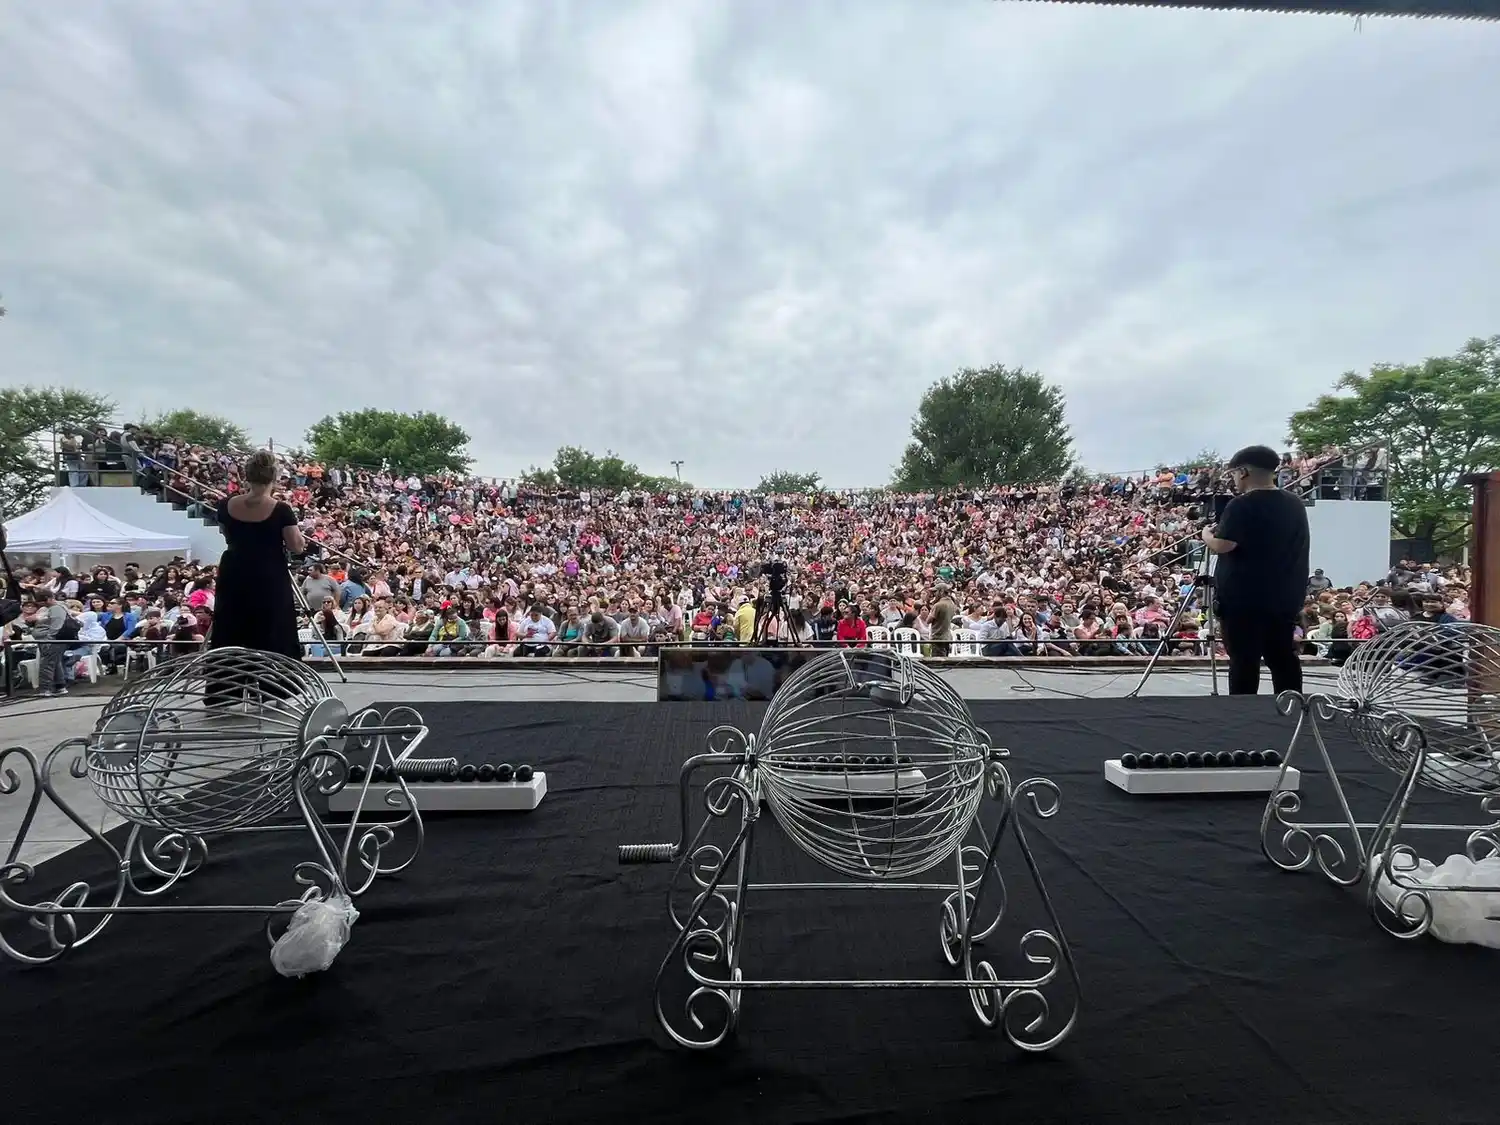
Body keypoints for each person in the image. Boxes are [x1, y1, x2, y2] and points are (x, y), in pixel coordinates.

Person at [1201, 444, 1310, 695]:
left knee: (1244, 661)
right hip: (1285, 597)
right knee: (1283, 659)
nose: (1235, 480)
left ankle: (1243, 718)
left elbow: (1224, 545)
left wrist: (1207, 536)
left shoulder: (1241, 505)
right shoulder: (1294, 503)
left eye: (1234, 474)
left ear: (1244, 471)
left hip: (1244, 600)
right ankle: (1292, 710)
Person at [207, 450, 307, 700]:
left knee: (232, 626)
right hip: (268, 572)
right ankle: (273, 689)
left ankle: (226, 691)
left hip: (234, 569)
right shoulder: (281, 509)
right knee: (272, 628)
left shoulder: (226, 505)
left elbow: (225, 533)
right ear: (274, 477)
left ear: (247, 476)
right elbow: (296, 545)